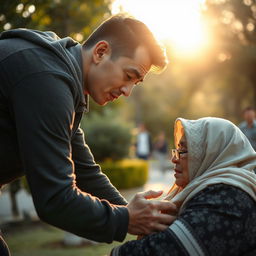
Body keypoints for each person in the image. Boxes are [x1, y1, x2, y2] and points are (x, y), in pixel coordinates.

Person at [0, 15, 177, 255]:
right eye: (128, 76)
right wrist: (126, 219)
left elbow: (85, 173)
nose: (127, 91)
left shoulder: (63, 79)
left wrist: (137, 215)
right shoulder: (47, 80)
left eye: (136, 82)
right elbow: (55, 199)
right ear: (101, 52)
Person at [111, 117, 256, 256]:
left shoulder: (228, 197)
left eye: (184, 151)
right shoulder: (212, 189)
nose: (174, 159)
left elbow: (166, 249)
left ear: (211, 154)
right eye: (177, 149)